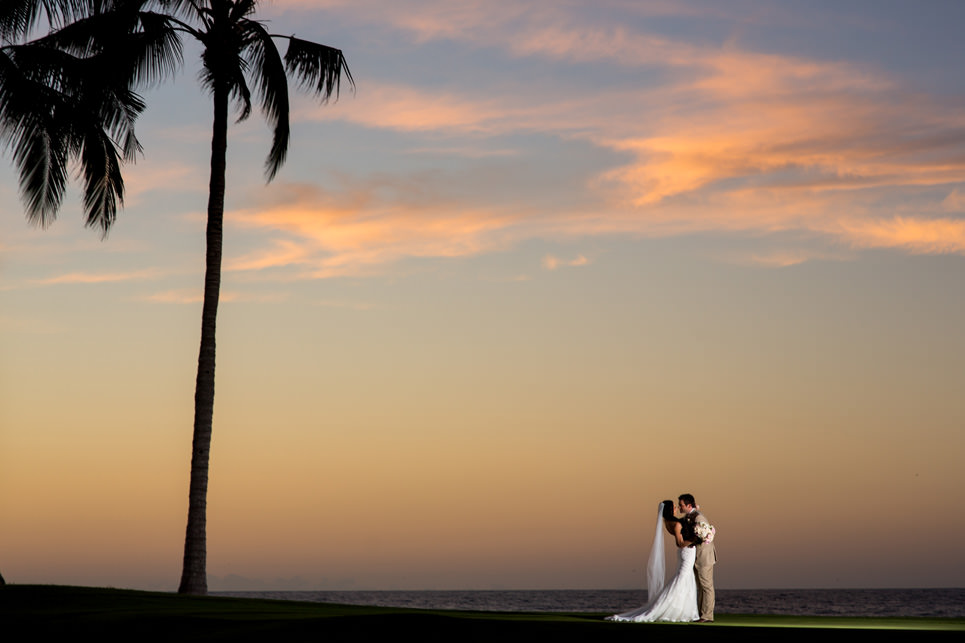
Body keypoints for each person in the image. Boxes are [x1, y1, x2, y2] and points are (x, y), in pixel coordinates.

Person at [607, 500, 699, 623]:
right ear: (670, 509)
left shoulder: (669, 522)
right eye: (674, 506)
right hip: (686, 552)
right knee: (682, 578)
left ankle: (683, 609)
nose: (676, 508)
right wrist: (695, 539)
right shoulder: (676, 524)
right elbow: (680, 543)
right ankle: (669, 608)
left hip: (687, 553)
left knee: (685, 578)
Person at [679, 493, 717, 622]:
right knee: (700, 586)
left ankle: (707, 616)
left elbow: (707, 535)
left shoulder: (699, 517)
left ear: (689, 505)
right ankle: (702, 614)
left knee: (706, 586)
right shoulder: (690, 517)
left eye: (681, 505)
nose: (680, 507)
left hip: (704, 556)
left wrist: (689, 542)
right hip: (697, 556)